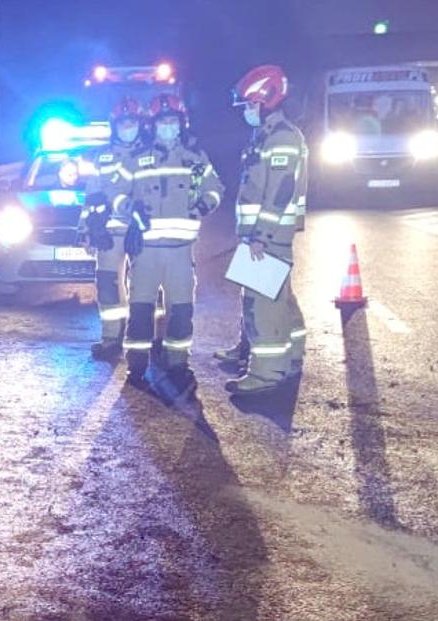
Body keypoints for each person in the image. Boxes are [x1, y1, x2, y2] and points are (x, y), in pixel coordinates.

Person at [119, 92, 224, 393]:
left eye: (172, 120)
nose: (168, 125)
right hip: (147, 252)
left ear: (181, 123)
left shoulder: (194, 157)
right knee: (140, 309)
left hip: (180, 251)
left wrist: (203, 205)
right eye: (162, 121)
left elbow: (215, 187)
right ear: (153, 125)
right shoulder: (137, 158)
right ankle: (137, 364)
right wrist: (130, 207)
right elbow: (118, 191)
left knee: (181, 310)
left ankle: (178, 362)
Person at [218, 64, 309, 397]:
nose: (246, 112)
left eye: (248, 105)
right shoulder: (268, 135)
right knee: (279, 299)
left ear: (265, 101)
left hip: (267, 238)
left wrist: (261, 236)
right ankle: (291, 355)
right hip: (262, 236)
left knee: (262, 303)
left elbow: (280, 192)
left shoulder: (282, 137)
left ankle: (267, 372)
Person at [86, 97, 146, 360]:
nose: (127, 127)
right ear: (115, 125)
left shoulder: (150, 153)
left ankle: (144, 342)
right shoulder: (102, 156)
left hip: (141, 232)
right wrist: (86, 230)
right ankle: (111, 340)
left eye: (132, 122)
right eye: (123, 123)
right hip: (108, 236)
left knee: (144, 287)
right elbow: (91, 195)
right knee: (108, 286)